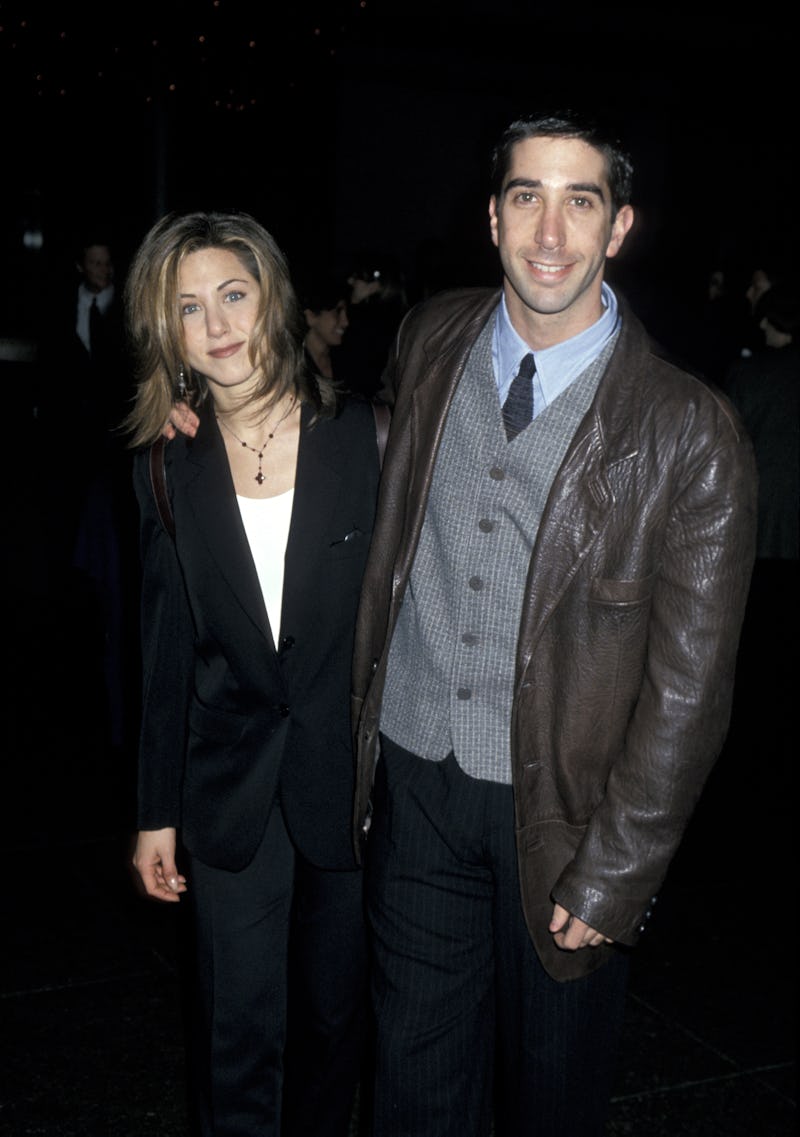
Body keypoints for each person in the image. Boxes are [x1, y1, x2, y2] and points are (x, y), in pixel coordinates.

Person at [349, 111, 758, 1136]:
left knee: (548, 1099)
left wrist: (619, 866)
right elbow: (358, 469)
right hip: (413, 777)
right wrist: (214, 421)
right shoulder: (429, 337)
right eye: (526, 196)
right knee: (411, 1085)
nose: (548, 231)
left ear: (616, 228)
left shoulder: (688, 431)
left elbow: (688, 689)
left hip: (565, 818)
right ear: (490, 218)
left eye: (579, 202)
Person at [125, 211, 381, 1136]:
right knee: (236, 1035)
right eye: (189, 308)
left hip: (348, 788)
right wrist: (155, 809)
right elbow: (162, 649)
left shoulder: (367, 438)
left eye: (232, 293)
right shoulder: (166, 465)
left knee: (332, 1031)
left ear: (270, 293)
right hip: (224, 787)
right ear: (170, 332)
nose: (218, 323)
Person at [298, 274, 350, 381]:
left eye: (346, 312)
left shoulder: (346, 359)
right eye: (337, 312)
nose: (345, 322)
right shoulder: (294, 367)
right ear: (311, 316)